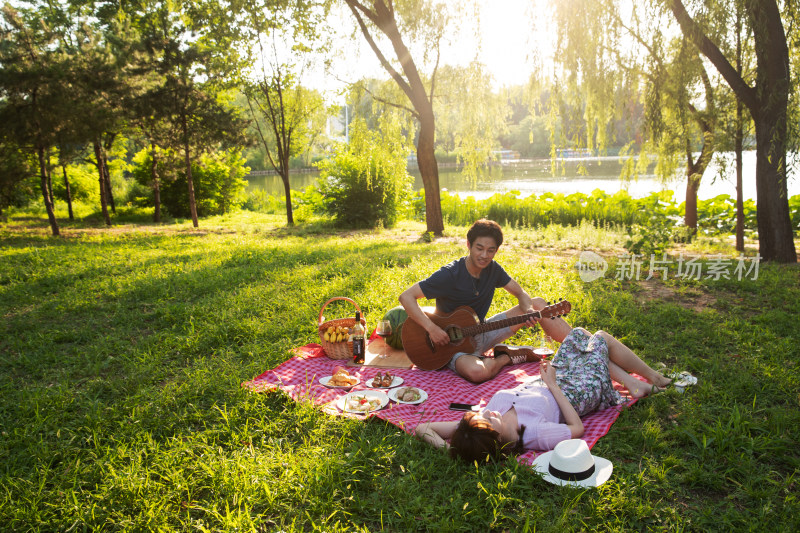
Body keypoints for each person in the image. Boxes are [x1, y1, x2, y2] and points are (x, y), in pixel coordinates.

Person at [413, 326, 675, 463]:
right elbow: (577, 429)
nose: (488, 412)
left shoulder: (476, 426)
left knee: (579, 336)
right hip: (577, 392)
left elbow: (423, 427)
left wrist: (454, 451)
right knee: (600, 339)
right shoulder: (533, 433)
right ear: (495, 436)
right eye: (490, 419)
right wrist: (552, 385)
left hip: (553, 379)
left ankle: (633, 383)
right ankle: (650, 377)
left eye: (482, 416)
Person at [399, 219, 564, 383]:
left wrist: (528, 309)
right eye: (479, 248)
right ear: (468, 245)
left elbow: (520, 292)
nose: (484, 255)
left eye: (490, 250)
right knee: (478, 372)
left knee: (538, 304)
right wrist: (432, 328)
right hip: (449, 346)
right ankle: (506, 356)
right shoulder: (450, 274)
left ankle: (581, 348)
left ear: (496, 250)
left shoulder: (494, 270)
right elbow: (406, 297)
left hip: (482, 332)